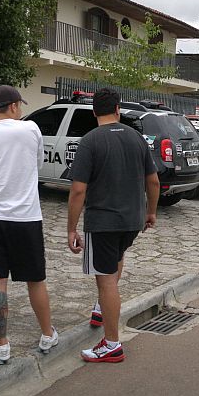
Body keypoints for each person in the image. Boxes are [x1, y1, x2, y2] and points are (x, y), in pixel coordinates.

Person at [67, 88, 159, 363]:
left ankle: (112, 343)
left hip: (103, 222)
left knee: (105, 279)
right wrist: (151, 212)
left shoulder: (90, 141)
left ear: (94, 112)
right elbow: (153, 181)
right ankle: (101, 309)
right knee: (116, 260)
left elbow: (78, 191)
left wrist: (71, 228)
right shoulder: (136, 138)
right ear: (118, 109)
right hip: (132, 220)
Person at [0, 85, 58, 363]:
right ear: (15, 106)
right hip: (25, 216)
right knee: (35, 279)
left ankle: (2, 343)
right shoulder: (30, 129)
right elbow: (37, 162)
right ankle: (46, 333)